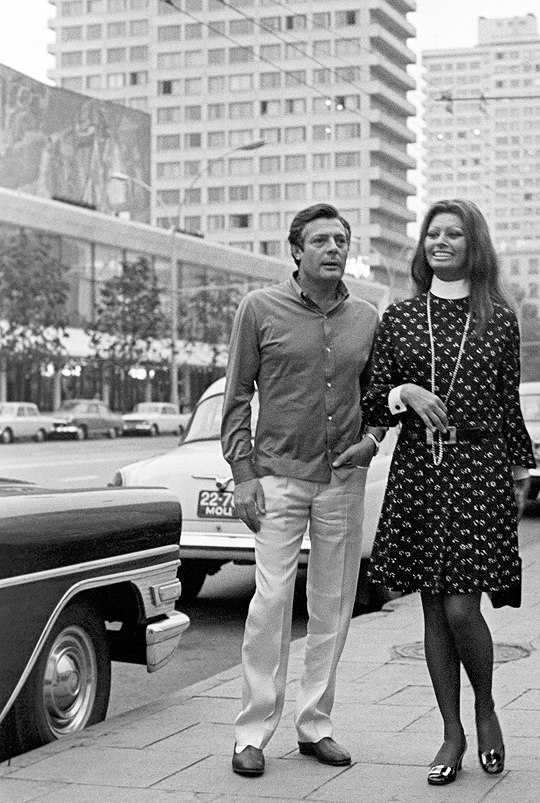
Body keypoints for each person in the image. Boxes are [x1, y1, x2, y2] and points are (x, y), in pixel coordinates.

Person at [362, 198, 535, 786]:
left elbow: (508, 403)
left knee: (463, 607)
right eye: (432, 233)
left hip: (479, 468)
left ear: (472, 244)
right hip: (420, 468)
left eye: (453, 234)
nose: (440, 242)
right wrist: (404, 393)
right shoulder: (401, 316)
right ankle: (451, 732)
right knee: (434, 609)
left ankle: (485, 708)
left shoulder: (499, 319)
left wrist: (519, 474)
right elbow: (374, 397)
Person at [221, 203, 385, 776]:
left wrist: (373, 439)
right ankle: (252, 733)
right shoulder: (259, 308)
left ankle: (316, 724)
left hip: (342, 478)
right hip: (277, 476)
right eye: (320, 240)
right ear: (295, 250)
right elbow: (236, 397)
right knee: (270, 604)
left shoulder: (366, 316)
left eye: (340, 240)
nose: (333, 248)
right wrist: (243, 475)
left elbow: (377, 393)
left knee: (333, 605)